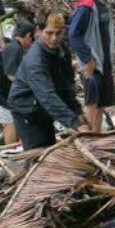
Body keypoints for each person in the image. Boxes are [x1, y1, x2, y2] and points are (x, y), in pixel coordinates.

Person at [8, 12, 79, 149]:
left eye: (58, 33)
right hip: (26, 109)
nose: (54, 38)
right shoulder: (35, 60)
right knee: (38, 153)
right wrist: (73, 122)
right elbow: (47, 95)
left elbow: (67, 85)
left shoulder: (62, 50)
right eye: (49, 33)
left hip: (43, 109)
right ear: (39, 31)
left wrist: (77, 111)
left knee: (49, 149)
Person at [69, 0, 115, 135]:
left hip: (104, 62)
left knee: (102, 103)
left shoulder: (103, 5)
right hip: (92, 63)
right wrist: (88, 59)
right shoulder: (86, 6)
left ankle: (96, 137)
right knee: (92, 102)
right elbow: (73, 35)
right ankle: (88, 139)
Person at [0, 20, 35, 147]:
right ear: (28, 36)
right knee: (11, 119)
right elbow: (11, 74)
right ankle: (10, 152)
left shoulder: (12, 47)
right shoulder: (15, 48)